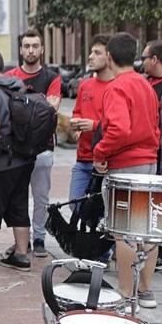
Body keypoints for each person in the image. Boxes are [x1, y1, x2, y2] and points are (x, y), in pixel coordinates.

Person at [93, 32, 160, 313]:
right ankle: (146, 291)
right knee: (147, 230)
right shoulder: (146, 84)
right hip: (149, 162)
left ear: (109, 56)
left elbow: (119, 129)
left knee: (124, 232)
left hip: (125, 165)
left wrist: (100, 153)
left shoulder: (117, 88)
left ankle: (124, 292)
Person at [6, 29, 62, 258]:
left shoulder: (51, 78)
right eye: (27, 46)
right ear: (21, 49)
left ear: (42, 49)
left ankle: (39, 238)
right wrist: (36, 106)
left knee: (41, 197)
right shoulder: (10, 76)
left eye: (35, 46)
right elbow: (7, 110)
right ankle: (21, 241)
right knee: (16, 198)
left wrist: (22, 105)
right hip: (16, 149)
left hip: (43, 148)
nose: (30, 50)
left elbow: (52, 109)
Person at [0, 49, 37, 272]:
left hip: (1, 160)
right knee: (19, 205)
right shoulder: (17, 86)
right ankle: (21, 255)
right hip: (23, 158)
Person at [69, 35, 113, 206]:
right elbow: (77, 112)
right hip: (83, 158)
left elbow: (120, 125)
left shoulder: (117, 86)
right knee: (75, 205)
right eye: (91, 52)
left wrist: (94, 125)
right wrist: (75, 127)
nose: (90, 56)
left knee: (104, 212)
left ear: (109, 57)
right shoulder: (85, 85)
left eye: (97, 52)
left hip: (107, 162)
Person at [142, 39, 162, 271]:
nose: (140, 62)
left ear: (155, 59)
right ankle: (159, 252)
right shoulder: (146, 83)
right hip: (153, 159)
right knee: (156, 209)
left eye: (144, 57)